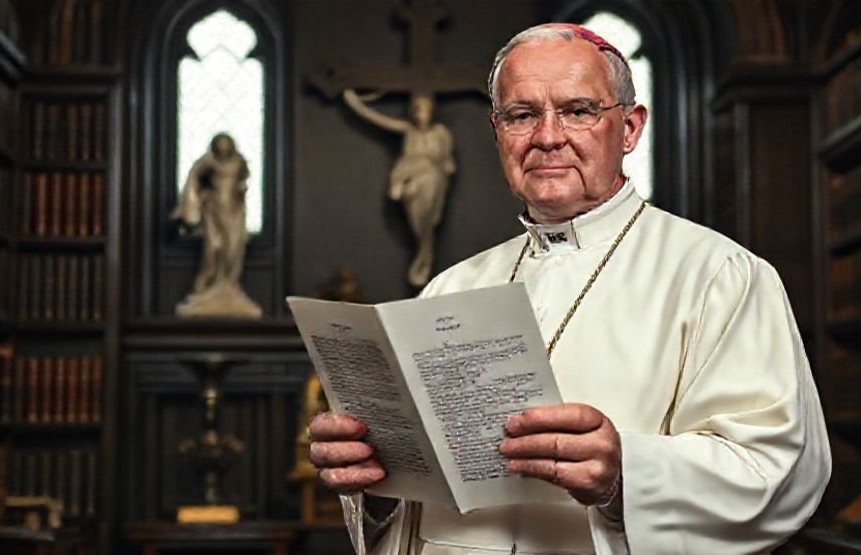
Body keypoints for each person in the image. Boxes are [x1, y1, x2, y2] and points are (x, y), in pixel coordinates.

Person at [309, 23, 831, 554]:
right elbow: (412, 510)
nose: (547, 136)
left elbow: (779, 474)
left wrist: (625, 474)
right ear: (498, 132)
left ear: (629, 129)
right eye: (521, 115)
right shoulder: (451, 287)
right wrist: (374, 485)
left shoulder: (720, 274)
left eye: (578, 111)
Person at [342, 89, 456, 288]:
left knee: (427, 216)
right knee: (416, 219)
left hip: (432, 179)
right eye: (417, 110)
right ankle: (423, 254)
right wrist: (355, 103)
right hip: (411, 181)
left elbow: (447, 163)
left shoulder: (440, 133)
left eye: (424, 110)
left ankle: (423, 257)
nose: (421, 114)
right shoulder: (409, 131)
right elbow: (378, 119)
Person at [171, 132, 261, 317]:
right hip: (214, 210)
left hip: (234, 211)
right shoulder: (209, 161)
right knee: (213, 249)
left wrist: (241, 188)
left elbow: (244, 178)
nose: (223, 149)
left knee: (233, 249)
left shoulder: (239, 161)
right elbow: (193, 175)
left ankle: (228, 284)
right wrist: (195, 200)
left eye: (226, 144)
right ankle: (206, 286)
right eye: (219, 145)